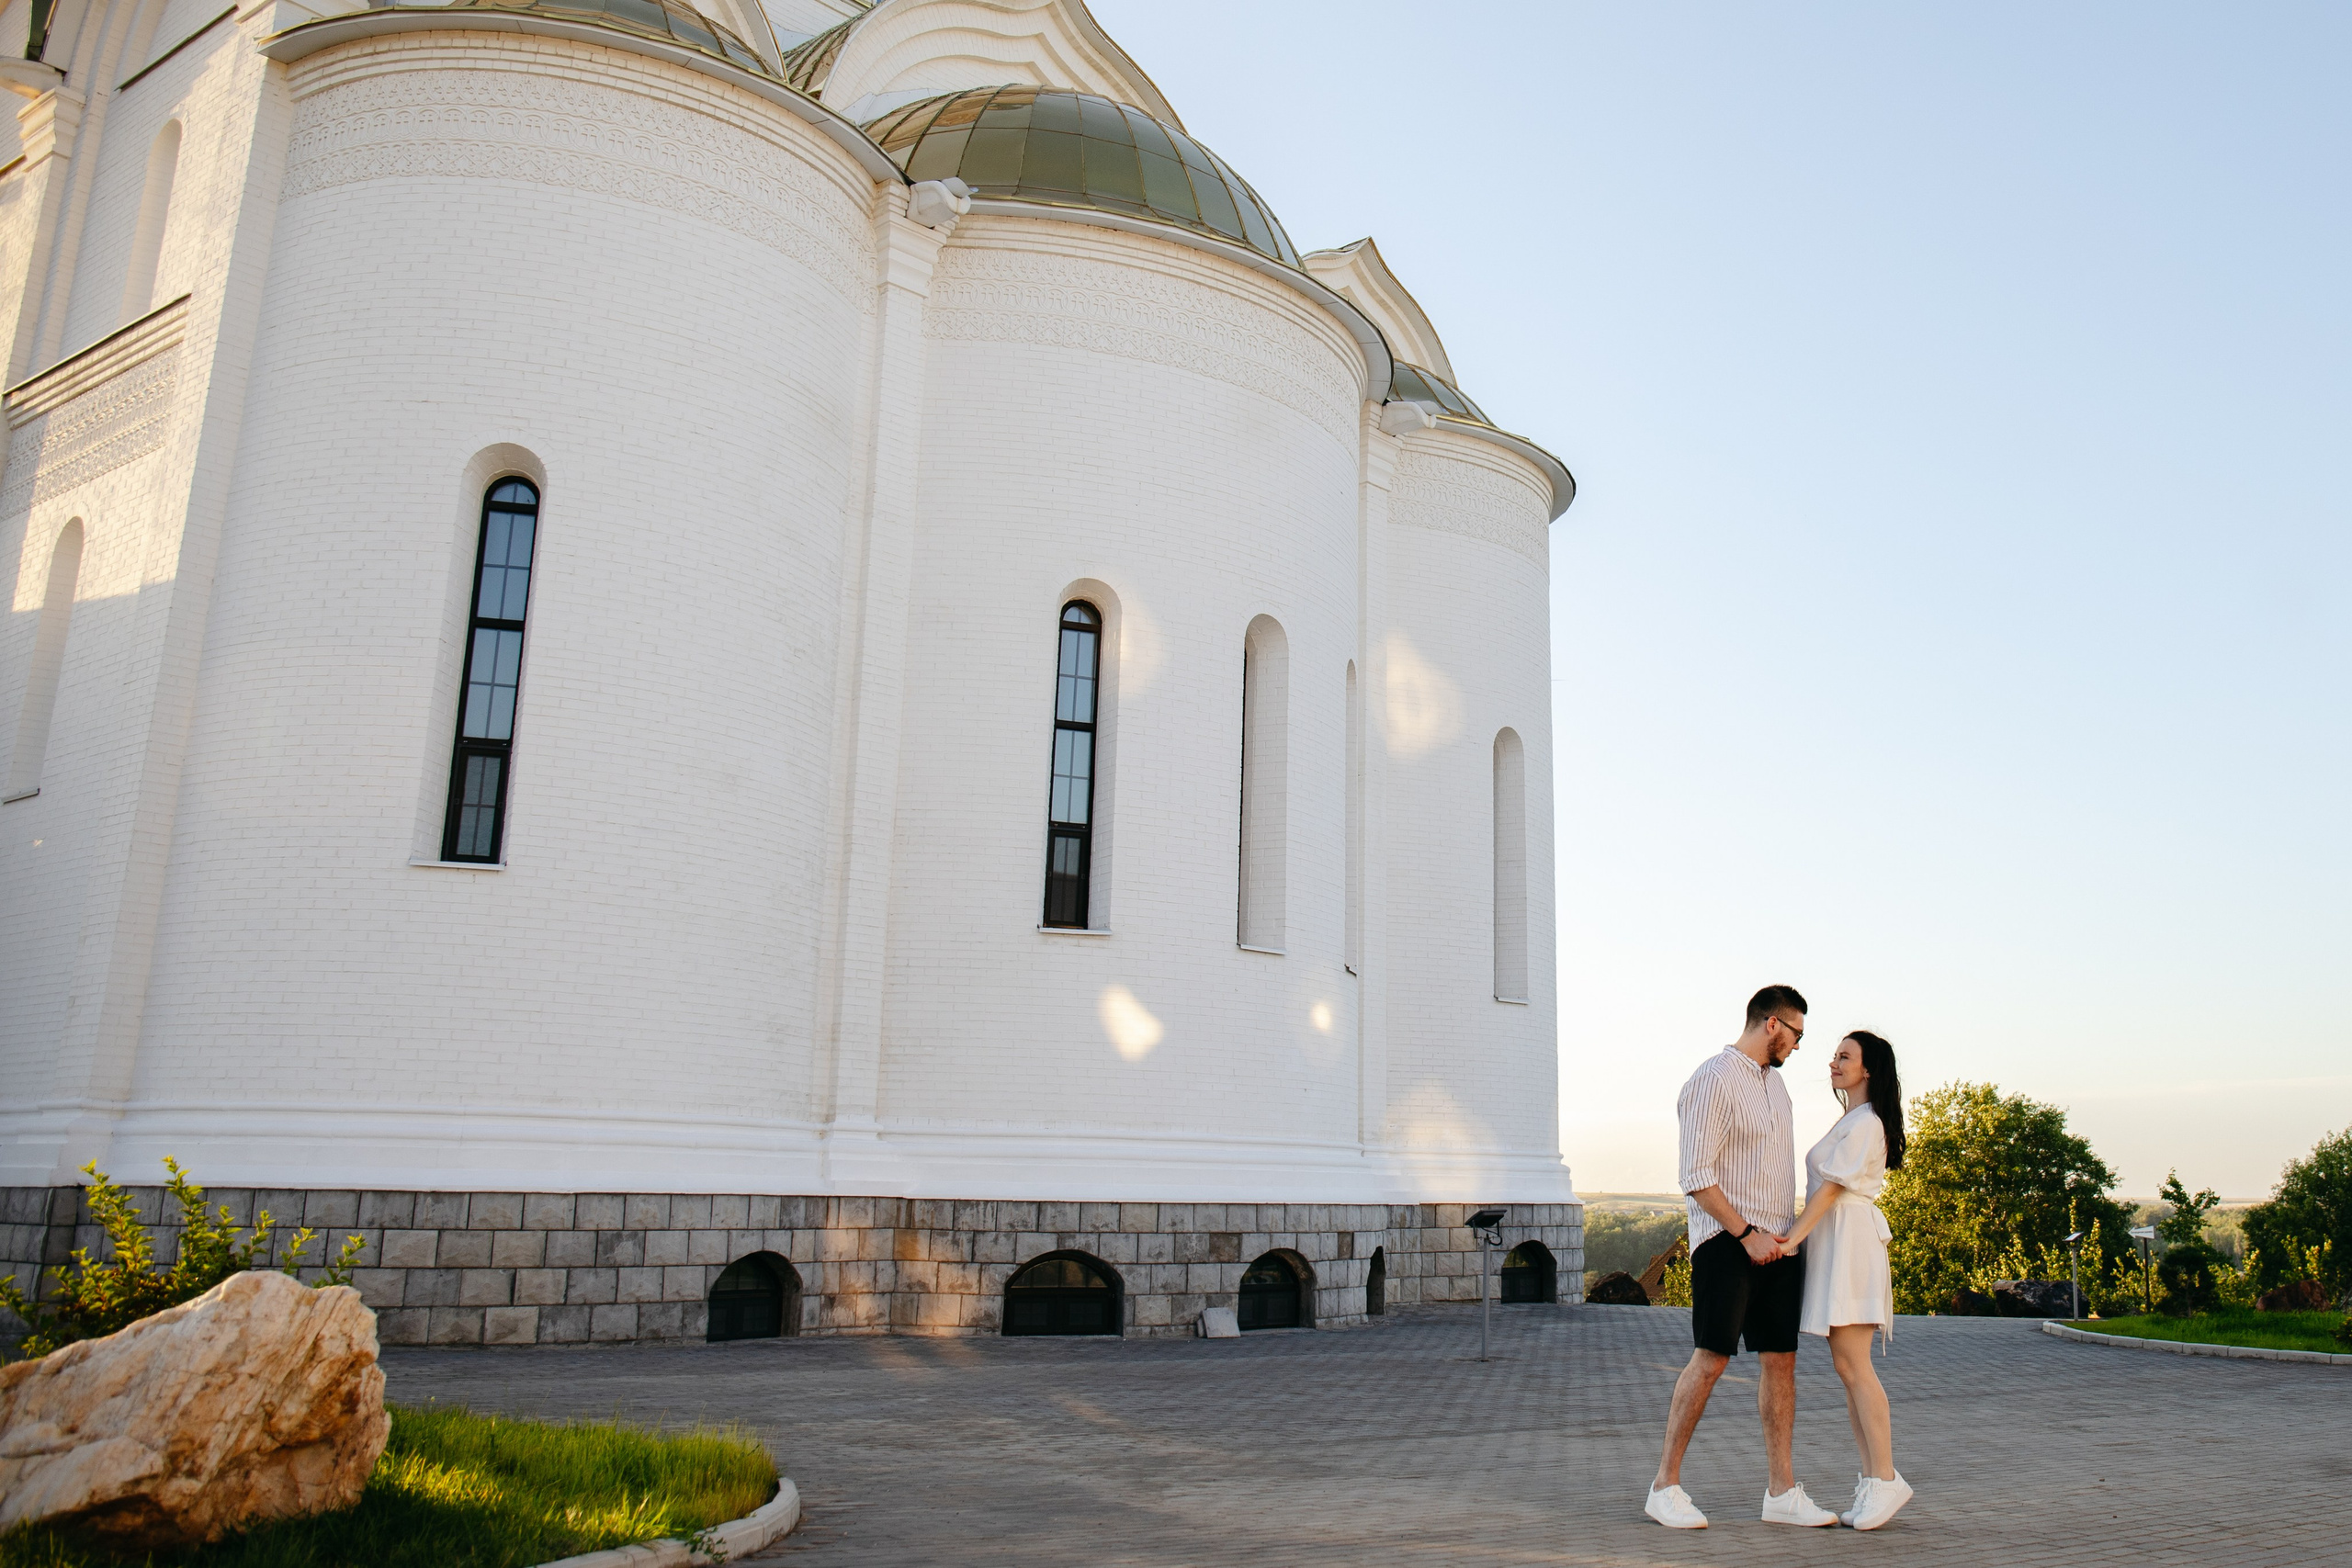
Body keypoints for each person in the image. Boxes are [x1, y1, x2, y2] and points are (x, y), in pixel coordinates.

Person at [1645, 986, 1840, 1529]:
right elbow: (1695, 1175)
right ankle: (1664, 1487)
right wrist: (1746, 1233)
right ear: (1772, 1024)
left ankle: (1782, 1493)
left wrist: (1782, 1237)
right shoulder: (1712, 1079)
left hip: (1778, 1244)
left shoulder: (1778, 1087)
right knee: (1711, 1359)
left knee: (1781, 1361)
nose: (1798, 1045)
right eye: (1797, 1034)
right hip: (1726, 1242)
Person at [1775, 1029, 1915, 1530]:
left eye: (1845, 1057)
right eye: (1835, 1055)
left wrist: (1792, 1238)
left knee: (1856, 1366)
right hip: (1839, 1241)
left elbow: (1832, 1188)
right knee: (1847, 1366)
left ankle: (1885, 1478)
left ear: (1868, 1069)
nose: (1833, 1063)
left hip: (1851, 1242)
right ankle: (1875, 1479)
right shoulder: (1855, 1119)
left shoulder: (1868, 1122)